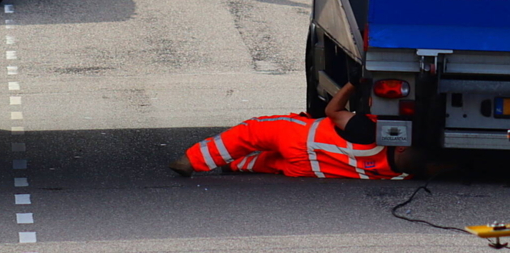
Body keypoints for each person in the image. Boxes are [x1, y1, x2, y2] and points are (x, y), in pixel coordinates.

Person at [168, 82, 423, 179]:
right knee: (267, 163)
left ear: (400, 145)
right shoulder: (398, 174)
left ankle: (192, 161)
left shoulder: (370, 132)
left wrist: (352, 85)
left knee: (250, 133)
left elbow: (333, 111)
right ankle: (236, 165)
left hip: (301, 137)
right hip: (306, 168)